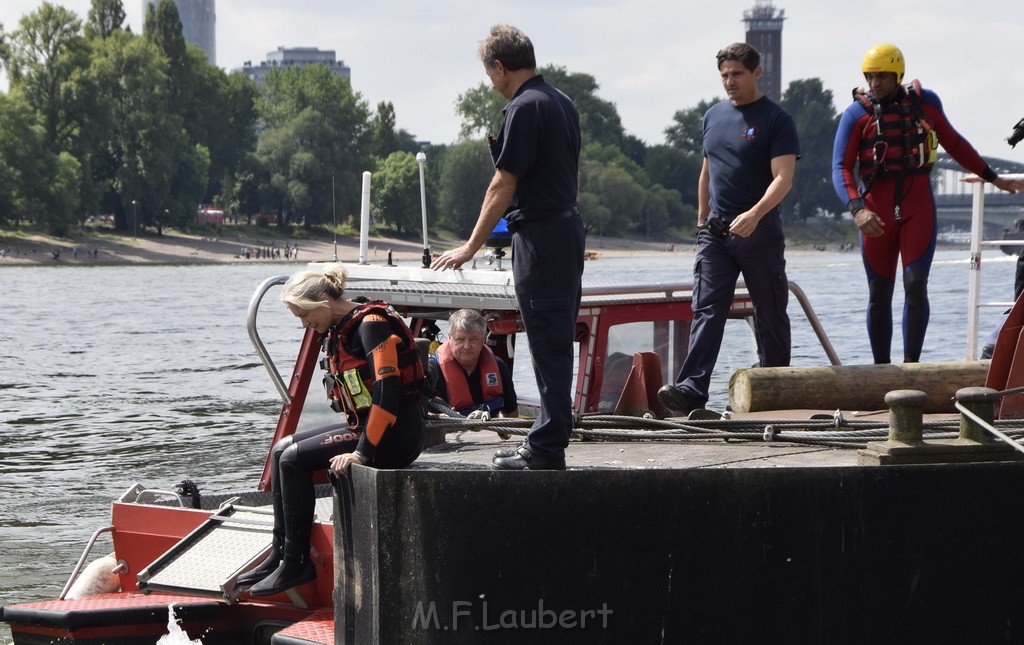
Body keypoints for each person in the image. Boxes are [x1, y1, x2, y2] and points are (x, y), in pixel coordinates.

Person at [430, 24, 584, 470]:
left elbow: (503, 182)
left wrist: (469, 247)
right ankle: (546, 440)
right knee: (552, 338)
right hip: (565, 231)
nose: (490, 82)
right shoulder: (561, 101)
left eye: (489, 72)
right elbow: (570, 176)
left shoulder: (523, 107)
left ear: (500, 67)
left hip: (542, 238)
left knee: (547, 342)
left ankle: (546, 448)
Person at [238, 266, 426, 596]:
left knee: (293, 460)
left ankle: (297, 563)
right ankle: (280, 553)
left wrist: (360, 453)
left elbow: (387, 394)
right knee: (283, 448)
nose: (304, 324)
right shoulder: (340, 327)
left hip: (396, 437)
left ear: (325, 300)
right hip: (368, 426)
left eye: (305, 315)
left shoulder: (372, 325)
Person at [832, 43, 1024, 364]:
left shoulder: (925, 105)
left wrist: (995, 179)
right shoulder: (856, 114)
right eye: (870, 76)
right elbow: (840, 167)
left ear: (898, 74)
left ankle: (911, 367)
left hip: (917, 206)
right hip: (875, 212)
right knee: (879, 295)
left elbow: (956, 144)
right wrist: (857, 209)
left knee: (915, 284)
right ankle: (881, 370)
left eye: (882, 76)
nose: (875, 83)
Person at [657, 42, 799, 415]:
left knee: (769, 310)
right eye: (724, 75)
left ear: (756, 72)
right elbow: (707, 169)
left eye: (736, 74)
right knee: (706, 309)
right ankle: (691, 389)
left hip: (759, 229)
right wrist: (701, 218)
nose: (729, 82)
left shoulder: (776, 119)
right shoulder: (712, 116)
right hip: (716, 233)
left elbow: (783, 179)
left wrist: (754, 214)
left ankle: (774, 380)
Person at [427, 309, 518, 418]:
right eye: (460, 339)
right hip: (447, 431)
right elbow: (420, 414)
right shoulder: (431, 370)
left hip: (487, 431)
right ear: (450, 337)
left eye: (473, 339)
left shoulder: (498, 367)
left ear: (483, 338)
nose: (466, 346)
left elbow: (510, 412)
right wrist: (441, 418)